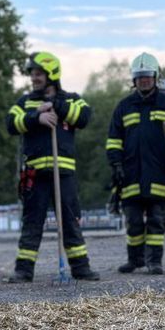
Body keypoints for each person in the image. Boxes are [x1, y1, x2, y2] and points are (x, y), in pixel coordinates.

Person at [7, 51, 99, 282]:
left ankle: (81, 268)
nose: (34, 78)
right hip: (35, 174)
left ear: (51, 74)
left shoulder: (72, 99)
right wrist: (35, 118)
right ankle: (23, 270)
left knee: (70, 221)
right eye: (32, 74)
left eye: (38, 74)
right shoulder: (26, 102)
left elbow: (85, 116)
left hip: (64, 173)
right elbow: (10, 123)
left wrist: (58, 106)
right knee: (32, 223)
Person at [107, 53, 165, 275]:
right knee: (133, 222)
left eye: (147, 76)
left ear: (155, 78)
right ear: (134, 80)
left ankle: (154, 261)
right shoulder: (124, 107)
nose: (144, 80)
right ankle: (135, 260)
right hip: (131, 174)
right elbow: (114, 140)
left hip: (159, 173)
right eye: (139, 77)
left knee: (156, 221)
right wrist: (116, 164)